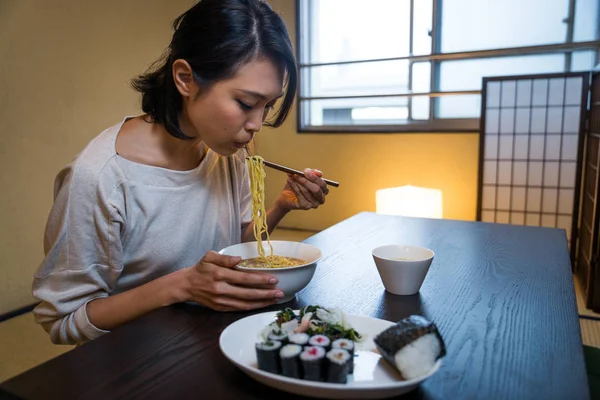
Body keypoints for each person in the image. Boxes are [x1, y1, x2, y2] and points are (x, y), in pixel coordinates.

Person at [32, 0, 329, 345]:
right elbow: (62, 320)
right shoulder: (101, 177)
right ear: (185, 79)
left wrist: (281, 205)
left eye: (268, 106)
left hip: (210, 343)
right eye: (246, 104)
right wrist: (181, 285)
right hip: (132, 365)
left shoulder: (228, 152)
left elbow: (232, 254)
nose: (256, 125)